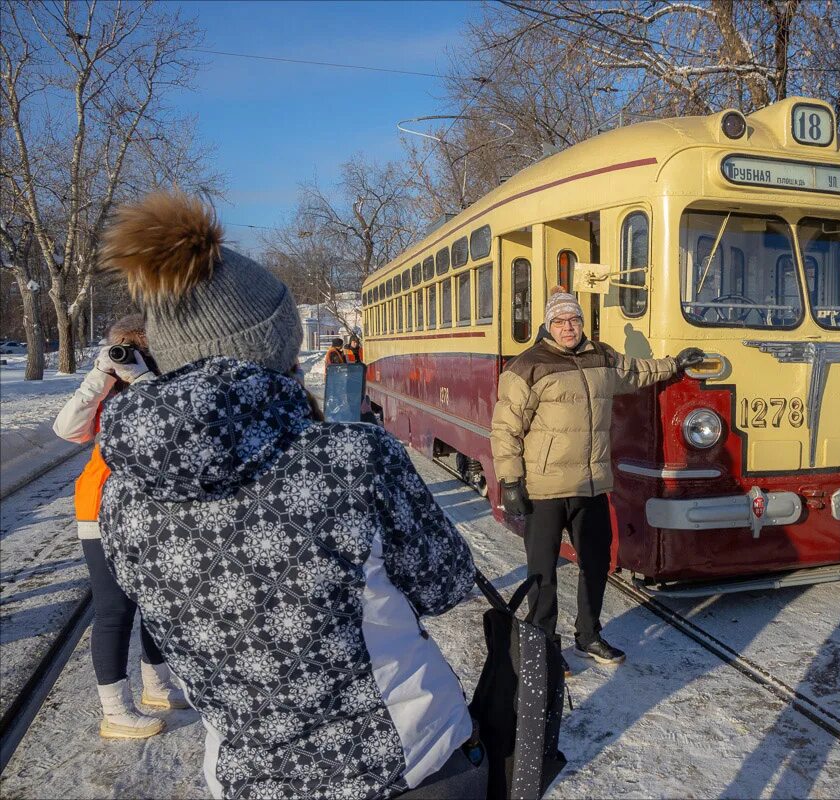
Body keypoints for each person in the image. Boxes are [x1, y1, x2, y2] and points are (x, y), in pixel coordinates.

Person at [97, 191, 486, 799]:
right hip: (407, 761)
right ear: (273, 346)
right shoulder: (352, 457)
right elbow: (444, 585)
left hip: (245, 779)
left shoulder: (121, 496)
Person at [491, 288, 703, 667]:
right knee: (543, 573)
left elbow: (637, 371)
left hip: (590, 485)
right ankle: (544, 648)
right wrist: (510, 481)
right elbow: (506, 428)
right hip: (545, 488)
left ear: (581, 323)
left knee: (596, 562)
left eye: (573, 320)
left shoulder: (601, 356)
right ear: (547, 325)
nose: (568, 327)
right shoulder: (528, 366)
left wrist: (674, 364)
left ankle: (588, 635)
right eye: (559, 321)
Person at [52, 315, 188, 739]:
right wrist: (99, 377)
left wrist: (145, 379)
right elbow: (67, 430)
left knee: (157, 604)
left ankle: (158, 686)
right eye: (124, 349)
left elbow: (176, 433)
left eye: (140, 349)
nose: (131, 357)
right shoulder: (107, 393)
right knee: (114, 610)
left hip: (152, 511)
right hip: (100, 510)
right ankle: (115, 711)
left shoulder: (164, 389)